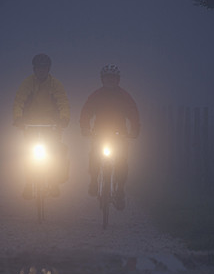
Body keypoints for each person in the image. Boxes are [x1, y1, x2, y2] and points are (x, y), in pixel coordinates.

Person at [79, 64, 140, 209]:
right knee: (94, 156)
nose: (110, 81)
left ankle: (119, 189)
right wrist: (85, 127)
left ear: (117, 80)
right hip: (99, 133)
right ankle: (94, 181)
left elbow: (133, 114)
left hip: (120, 134)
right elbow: (86, 112)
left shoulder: (125, 96)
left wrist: (135, 130)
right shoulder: (96, 95)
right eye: (107, 79)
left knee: (121, 162)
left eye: (112, 79)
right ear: (102, 80)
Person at [13, 53, 70, 199]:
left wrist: (64, 118)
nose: (41, 71)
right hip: (30, 124)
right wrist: (18, 118)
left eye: (44, 68)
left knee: (56, 152)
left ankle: (54, 181)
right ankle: (29, 182)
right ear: (34, 69)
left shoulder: (55, 84)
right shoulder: (28, 83)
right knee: (27, 153)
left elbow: (63, 102)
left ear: (48, 69)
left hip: (51, 125)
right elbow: (19, 100)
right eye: (38, 68)